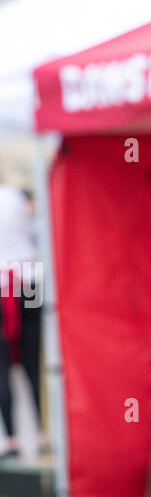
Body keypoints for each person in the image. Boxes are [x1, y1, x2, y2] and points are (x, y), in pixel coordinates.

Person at [0, 181, 42, 459]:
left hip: (5, 283)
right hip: (30, 281)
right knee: (34, 359)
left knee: (2, 365)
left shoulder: (14, 195)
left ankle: (13, 440)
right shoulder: (15, 196)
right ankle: (40, 434)